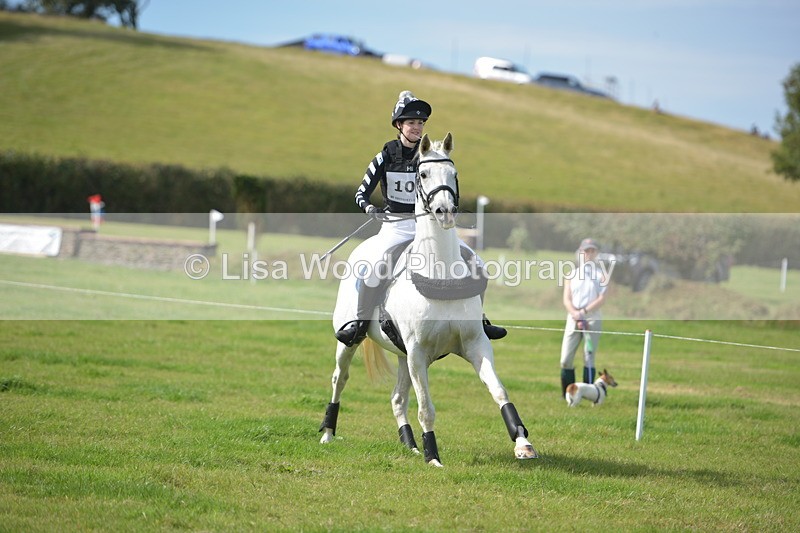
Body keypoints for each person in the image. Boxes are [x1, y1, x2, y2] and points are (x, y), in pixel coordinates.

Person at [334, 90, 507, 347]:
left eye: (421, 123)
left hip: (428, 227)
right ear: (398, 125)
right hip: (394, 227)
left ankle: (478, 319)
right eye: (411, 122)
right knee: (375, 267)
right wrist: (371, 209)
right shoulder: (384, 157)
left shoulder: (430, 157)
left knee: (475, 262)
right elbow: (361, 193)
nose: (417, 127)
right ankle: (360, 323)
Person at [559, 238, 608, 397]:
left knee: (589, 357)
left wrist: (584, 312)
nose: (588, 254)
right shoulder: (571, 274)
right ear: (580, 252)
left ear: (596, 253)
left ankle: (588, 393)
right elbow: (566, 298)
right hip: (573, 318)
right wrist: (575, 313)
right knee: (565, 359)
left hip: (592, 319)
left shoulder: (601, 275)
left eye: (592, 251)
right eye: (585, 251)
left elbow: (601, 299)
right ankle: (568, 394)